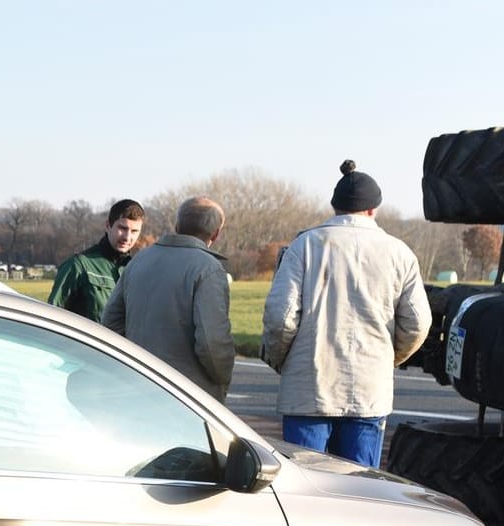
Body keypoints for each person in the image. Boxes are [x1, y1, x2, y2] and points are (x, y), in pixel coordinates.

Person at [262, 161, 430, 468]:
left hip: (308, 386)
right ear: (373, 209)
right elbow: (418, 322)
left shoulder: (305, 245)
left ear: (335, 206)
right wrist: (389, 357)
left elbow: (280, 317)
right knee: (361, 490)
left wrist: (280, 358)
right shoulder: (399, 252)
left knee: (303, 484)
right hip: (368, 387)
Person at [100, 197, 235, 399]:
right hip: (188, 395)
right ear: (215, 234)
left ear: (177, 225)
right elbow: (211, 342)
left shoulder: (139, 260)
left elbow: (111, 323)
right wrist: (222, 380)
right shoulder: (207, 268)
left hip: (137, 384)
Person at [49, 199, 145, 321]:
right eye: (122, 228)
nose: (127, 237)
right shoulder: (78, 266)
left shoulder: (136, 270)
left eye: (134, 231)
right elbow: (53, 318)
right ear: (108, 226)